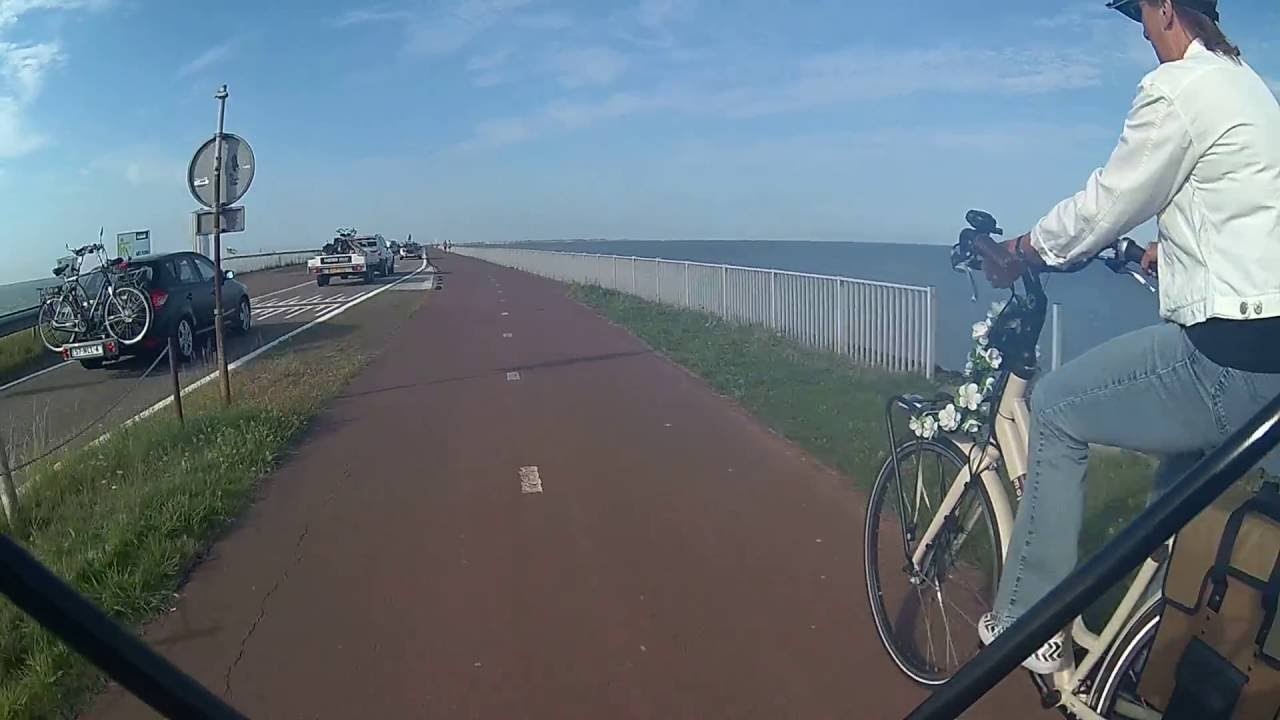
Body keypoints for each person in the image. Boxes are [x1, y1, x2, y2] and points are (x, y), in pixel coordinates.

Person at [974, 0, 1280, 674]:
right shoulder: (1250, 88)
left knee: (1054, 407)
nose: (1140, 30)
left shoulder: (1178, 89)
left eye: (1140, 13)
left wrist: (1023, 248)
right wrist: (1165, 253)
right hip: (1271, 365)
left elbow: (1105, 203)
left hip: (1223, 363)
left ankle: (1030, 625)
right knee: (1171, 505)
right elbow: (1241, 215)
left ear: (1166, 7)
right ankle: (1155, 646)